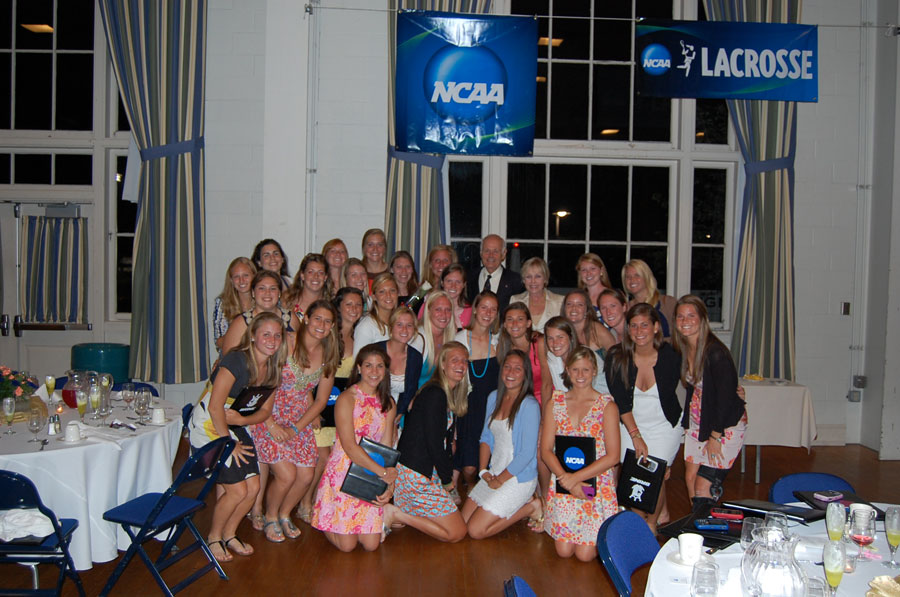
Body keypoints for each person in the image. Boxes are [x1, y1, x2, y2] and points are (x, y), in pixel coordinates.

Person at [188, 311, 286, 562]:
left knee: (253, 488)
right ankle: (213, 537)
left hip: (234, 423)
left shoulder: (274, 367)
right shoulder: (236, 360)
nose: (272, 340)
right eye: (266, 334)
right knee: (236, 490)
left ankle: (230, 534)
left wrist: (241, 421)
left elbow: (264, 411)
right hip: (210, 424)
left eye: (277, 335)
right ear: (253, 336)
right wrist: (228, 442)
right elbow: (214, 407)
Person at [248, 300, 340, 543]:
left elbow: (320, 401)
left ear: (332, 326)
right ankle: (270, 515)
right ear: (306, 318)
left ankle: (284, 513)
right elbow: (260, 380)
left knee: (306, 476)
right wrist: (270, 424)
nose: (321, 325)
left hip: (299, 419)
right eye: (317, 318)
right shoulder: (286, 343)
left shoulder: (329, 354)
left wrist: (296, 428)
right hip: (268, 413)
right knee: (287, 475)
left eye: (327, 321)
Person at [604, 303, 683, 533]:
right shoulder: (616, 357)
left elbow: (694, 379)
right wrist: (636, 436)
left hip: (664, 426)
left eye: (645, 325)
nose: (639, 331)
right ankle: (641, 518)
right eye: (634, 326)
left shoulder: (671, 356)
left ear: (656, 327)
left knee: (653, 472)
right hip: (630, 425)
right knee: (636, 476)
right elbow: (621, 402)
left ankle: (650, 523)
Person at [311, 345, 398, 552]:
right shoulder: (346, 399)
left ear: (385, 370)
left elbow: (386, 447)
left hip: (371, 471)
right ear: (359, 368)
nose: (374, 371)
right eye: (368, 365)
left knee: (371, 545)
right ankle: (325, 515)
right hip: (344, 470)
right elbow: (349, 446)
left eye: (379, 366)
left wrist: (389, 484)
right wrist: (383, 473)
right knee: (347, 546)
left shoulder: (388, 403)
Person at [382, 342, 469, 543]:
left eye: (464, 361)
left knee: (449, 517)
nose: (461, 365)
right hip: (417, 475)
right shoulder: (435, 394)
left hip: (422, 471)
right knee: (457, 533)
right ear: (443, 364)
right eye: (454, 360)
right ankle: (396, 514)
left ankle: (400, 513)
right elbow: (434, 444)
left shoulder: (445, 393)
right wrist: (448, 482)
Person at [541, 347, 620, 562]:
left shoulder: (607, 406)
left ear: (594, 371)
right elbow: (546, 450)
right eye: (575, 369)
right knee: (563, 551)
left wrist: (576, 478)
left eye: (585, 369)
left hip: (594, 483)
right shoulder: (555, 403)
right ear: (567, 371)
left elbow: (613, 456)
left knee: (585, 556)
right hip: (564, 480)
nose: (580, 375)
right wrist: (566, 480)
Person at [673, 294, 747, 511]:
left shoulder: (716, 353)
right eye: (680, 316)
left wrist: (715, 436)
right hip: (698, 423)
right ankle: (698, 528)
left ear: (702, 319)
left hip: (722, 427)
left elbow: (726, 398)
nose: (685, 321)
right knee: (689, 478)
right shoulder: (686, 349)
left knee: (703, 486)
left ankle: (710, 534)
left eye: (691, 315)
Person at [297, 287, 363, 523]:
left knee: (334, 459)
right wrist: (310, 409)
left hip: (342, 411)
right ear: (339, 307)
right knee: (321, 458)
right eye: (349, 304)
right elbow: (307, 376)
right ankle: (305, 502)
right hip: (317, 406)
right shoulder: (324, 334)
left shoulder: (360, 337)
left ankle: (319, 500)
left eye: (358, 305)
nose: (354, 309)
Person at [462, 350, 542, 539]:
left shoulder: (529, 405)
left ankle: (531, 507)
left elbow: (527, 454)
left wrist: (501, 479)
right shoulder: (494, 397)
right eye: (507, 367)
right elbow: (485, 438)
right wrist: (483, 471)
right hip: (494, 473)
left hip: (517, 478)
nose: (511, 372)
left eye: (517, 369)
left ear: (525, 374)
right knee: (463, 522)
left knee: (476, 530)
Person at [454, 291, 500, 489]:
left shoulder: (499, 341)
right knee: (469, 468)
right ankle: (468, 486)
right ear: (474, 309)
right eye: (484, 307)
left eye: (493, 309)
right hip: (467, 410)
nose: (488, 313)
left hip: (492, 410)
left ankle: (478, 493)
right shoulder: (460, 338)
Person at [220, 270, 299, 354]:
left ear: (279, 293)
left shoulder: (291, 319)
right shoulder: (241, 323)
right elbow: (228, 360)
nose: (267, 293)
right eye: (262, 288)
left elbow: (304, 350)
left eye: (273, 288)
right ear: (253, 293)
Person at [561, 289, 615, 393]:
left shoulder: (597, 330)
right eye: (569, 304)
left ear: (587, 309)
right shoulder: (561, 334)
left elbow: (618, 362)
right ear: (564, 309)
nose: (574, 308)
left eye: (580, 304)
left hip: (603, 392)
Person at [375, 306, 424, 418]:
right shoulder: (375, 351)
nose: (404, 330)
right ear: (391, 327)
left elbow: (410, 392)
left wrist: (396, 416)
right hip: (369, 412)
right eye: (399, 325)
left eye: (409, 325)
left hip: (398, 416)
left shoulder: (415, 358)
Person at [497, 302, 547, 406]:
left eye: (520, 319)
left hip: (543, 401)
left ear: (528, 323)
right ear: (505, 325)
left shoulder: (539, 342)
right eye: (510, 319)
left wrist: (544, 415)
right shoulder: (503, 347)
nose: (514, 324)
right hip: (517, 403)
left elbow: (547, 384)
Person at [622, 259, 677, 339]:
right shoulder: (626, 309)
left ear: (647, 277)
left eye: (637, 275)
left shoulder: (668, 303)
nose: (632, 280)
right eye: (628, 277)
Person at [466, 234, 524, 309]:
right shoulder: (469, 277)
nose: (491, 255)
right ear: (481, 253)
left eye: (495, 251)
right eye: (487, 251)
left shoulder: (516, 282)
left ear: (503, 254)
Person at [213, 257, 257, 354]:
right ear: (231, 280)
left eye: (246, 275)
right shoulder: (222, 303)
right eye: (236, 277)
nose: (241, 280)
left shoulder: (263, 300)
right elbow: (219, 341)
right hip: (232, 356)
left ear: (254, 276)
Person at [509, 256, 564, 333]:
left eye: (538, 276)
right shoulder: (515, 300)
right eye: (528, 277)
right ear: (523, 280)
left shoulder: (560, 301)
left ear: (545, 279)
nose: (533, 281)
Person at [416, 290, 456, 389]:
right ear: (428, 311)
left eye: (448, 310)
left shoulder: (450, 338)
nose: (444, 314)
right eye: (438, 309)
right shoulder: (418, 338)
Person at [353, 273, 398, 355]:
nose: (388, 295)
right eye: (382, 292)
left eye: (392, 290)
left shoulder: (399, 323)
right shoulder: (366, 326)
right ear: (373, 296)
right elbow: (358, 361)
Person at [540, 316, 579, 401]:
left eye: (560, 337)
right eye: (550, 338)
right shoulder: (552, 359)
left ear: (571, 337)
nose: (555, 343)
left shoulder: (585, 358)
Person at [282, 253, 328, 321]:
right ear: (302, 275)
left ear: (325, 277)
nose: (316, 276)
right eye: (310, 272)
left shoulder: (329, 305)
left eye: (320, 273)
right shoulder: (287, 301)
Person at [440, 263, 471, 330]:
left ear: (464, 285)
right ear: (442, 283)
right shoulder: (430, 306)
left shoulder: (471, 311)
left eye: (458, 282)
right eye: (449, 281)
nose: (453, 286)